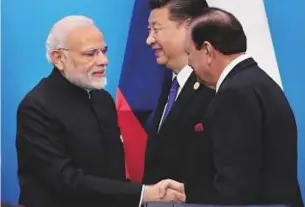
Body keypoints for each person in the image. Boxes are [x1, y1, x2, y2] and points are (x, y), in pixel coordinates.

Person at [16, 15, 185, 207]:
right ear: (59, 58)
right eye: (91, 54)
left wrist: (151, 193)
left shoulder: (102, 99)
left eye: (103, 51)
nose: (103, 61)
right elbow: (65, 181)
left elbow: (112, 175)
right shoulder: (36, 107)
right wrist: (144, 193)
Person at [184, 7, 304, 206]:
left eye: (189, 53)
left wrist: (191, 193)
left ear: (207, 50)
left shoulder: (233, 94)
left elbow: (234, 187)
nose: (188, 62)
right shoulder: (260, 82)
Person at [143, 0, 215, 185]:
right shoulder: (170, 85)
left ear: (189, 27)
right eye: (148, 30)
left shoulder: (215, 88)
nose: (149, 40)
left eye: (156, 29)